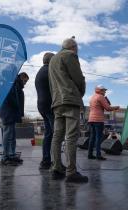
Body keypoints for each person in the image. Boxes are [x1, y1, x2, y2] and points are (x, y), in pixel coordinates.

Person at [48, 37, 88, 183]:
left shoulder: (52, 60)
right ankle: (71, 172)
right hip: (70, 99)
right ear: (73, 47)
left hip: (57, 101)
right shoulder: (70, 56)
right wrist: (80, 92)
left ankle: (56, 168)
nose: (77, 49)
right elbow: (78, 78)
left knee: (57, 136)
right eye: (77, 47)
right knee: (71, 136)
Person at [0, 72, 29, 166]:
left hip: (12, 112)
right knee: (8, 134)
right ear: (21, 77)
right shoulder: (11, 83)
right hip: (8, 112)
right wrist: (17, 107)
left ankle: (11, 155)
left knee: (12, 134)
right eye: (25, 81)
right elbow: (10, 98)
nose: (25, 83)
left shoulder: (16, 85)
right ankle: (5, 157)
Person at [87, 85, 120, 160]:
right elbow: (108, 108)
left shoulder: (92, 97)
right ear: (100, 90)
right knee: (98, 138)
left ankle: (90, 154)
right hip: (98, 120)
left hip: (91, 119)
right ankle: (98, 155)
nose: (105, 92)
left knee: (92, 137)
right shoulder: (101, 97)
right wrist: (116, 107)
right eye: (104, 90)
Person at [35, 52, 55, 169]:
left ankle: (46, 160)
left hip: (42, 106)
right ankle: (55, 163)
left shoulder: (41, 71)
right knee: (56, 133)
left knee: (49, 133)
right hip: (49, 106)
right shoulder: (49, 71)